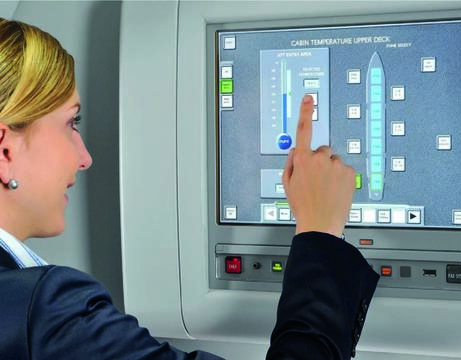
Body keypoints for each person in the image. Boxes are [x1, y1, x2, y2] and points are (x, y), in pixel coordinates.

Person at [0, 18, 378, 360]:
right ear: (5, 148)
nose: (84, 158)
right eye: (71, 123)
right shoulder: (46, 312)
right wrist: (320, 231)